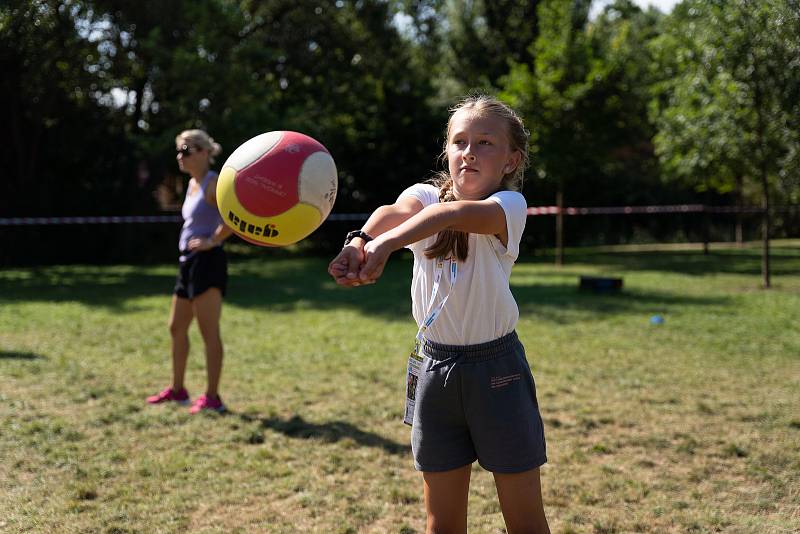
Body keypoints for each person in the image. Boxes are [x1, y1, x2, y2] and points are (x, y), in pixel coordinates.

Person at [328, 95, 549, 533]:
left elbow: (450, 216)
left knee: (525, 521)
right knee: (441, 523)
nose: (469, 152)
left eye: (485, 143)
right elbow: (395, 212)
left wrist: (386, 245)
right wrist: (359, 240)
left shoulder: (509, 206)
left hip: (497, 372)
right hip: (434, 368)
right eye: (460, 141)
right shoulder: (424, 195)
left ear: (511, 160)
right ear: (446, 151)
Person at [147, 129, 233, 414]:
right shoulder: (194, 185)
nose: (180, 156)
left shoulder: (213, 184)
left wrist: (212, 241)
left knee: (208, 332)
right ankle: (178, 389)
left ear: (205, 152)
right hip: (188, 263)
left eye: (187, 150)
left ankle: (212, 397)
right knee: (176, 327)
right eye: (179, 151)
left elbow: (235, 218)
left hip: (207, 263)